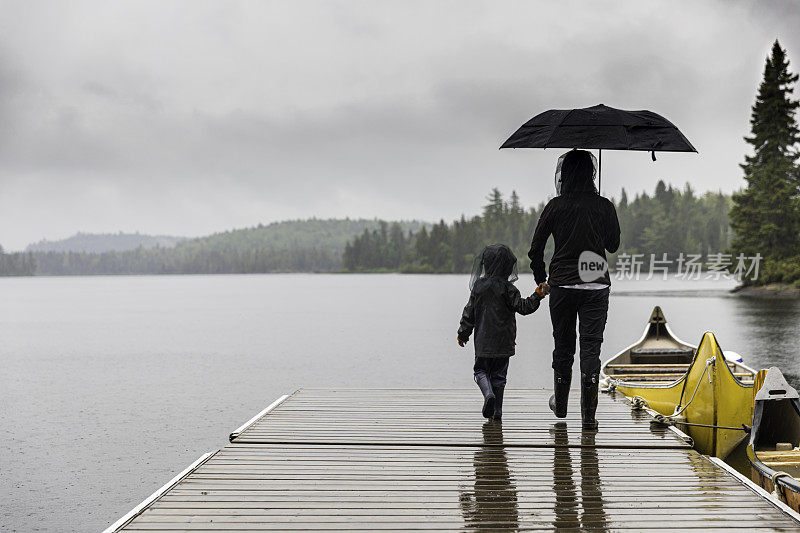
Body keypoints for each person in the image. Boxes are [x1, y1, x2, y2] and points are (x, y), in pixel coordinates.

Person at [528, 150, 620, 430]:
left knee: (563, 344)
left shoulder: (555, 206)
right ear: (592, 174)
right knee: (591, 347)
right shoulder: (604, 205)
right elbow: (613, 245)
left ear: (564, 175)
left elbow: (535, 250)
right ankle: (589, 418)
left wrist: (541, 277)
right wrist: (600, 221)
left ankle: (561, 405)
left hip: (562, 284)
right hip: (595, 282)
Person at [457, 244, 549, 420]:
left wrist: (463, 334)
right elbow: (524, 307)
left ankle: (488, 394)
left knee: (480, 371)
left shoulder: (478, 287)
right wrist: (538, 294)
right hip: (504, 342)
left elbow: (469, 313)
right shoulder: (509, 289)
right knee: (499, 376)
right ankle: (497, 412)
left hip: (483, 343)